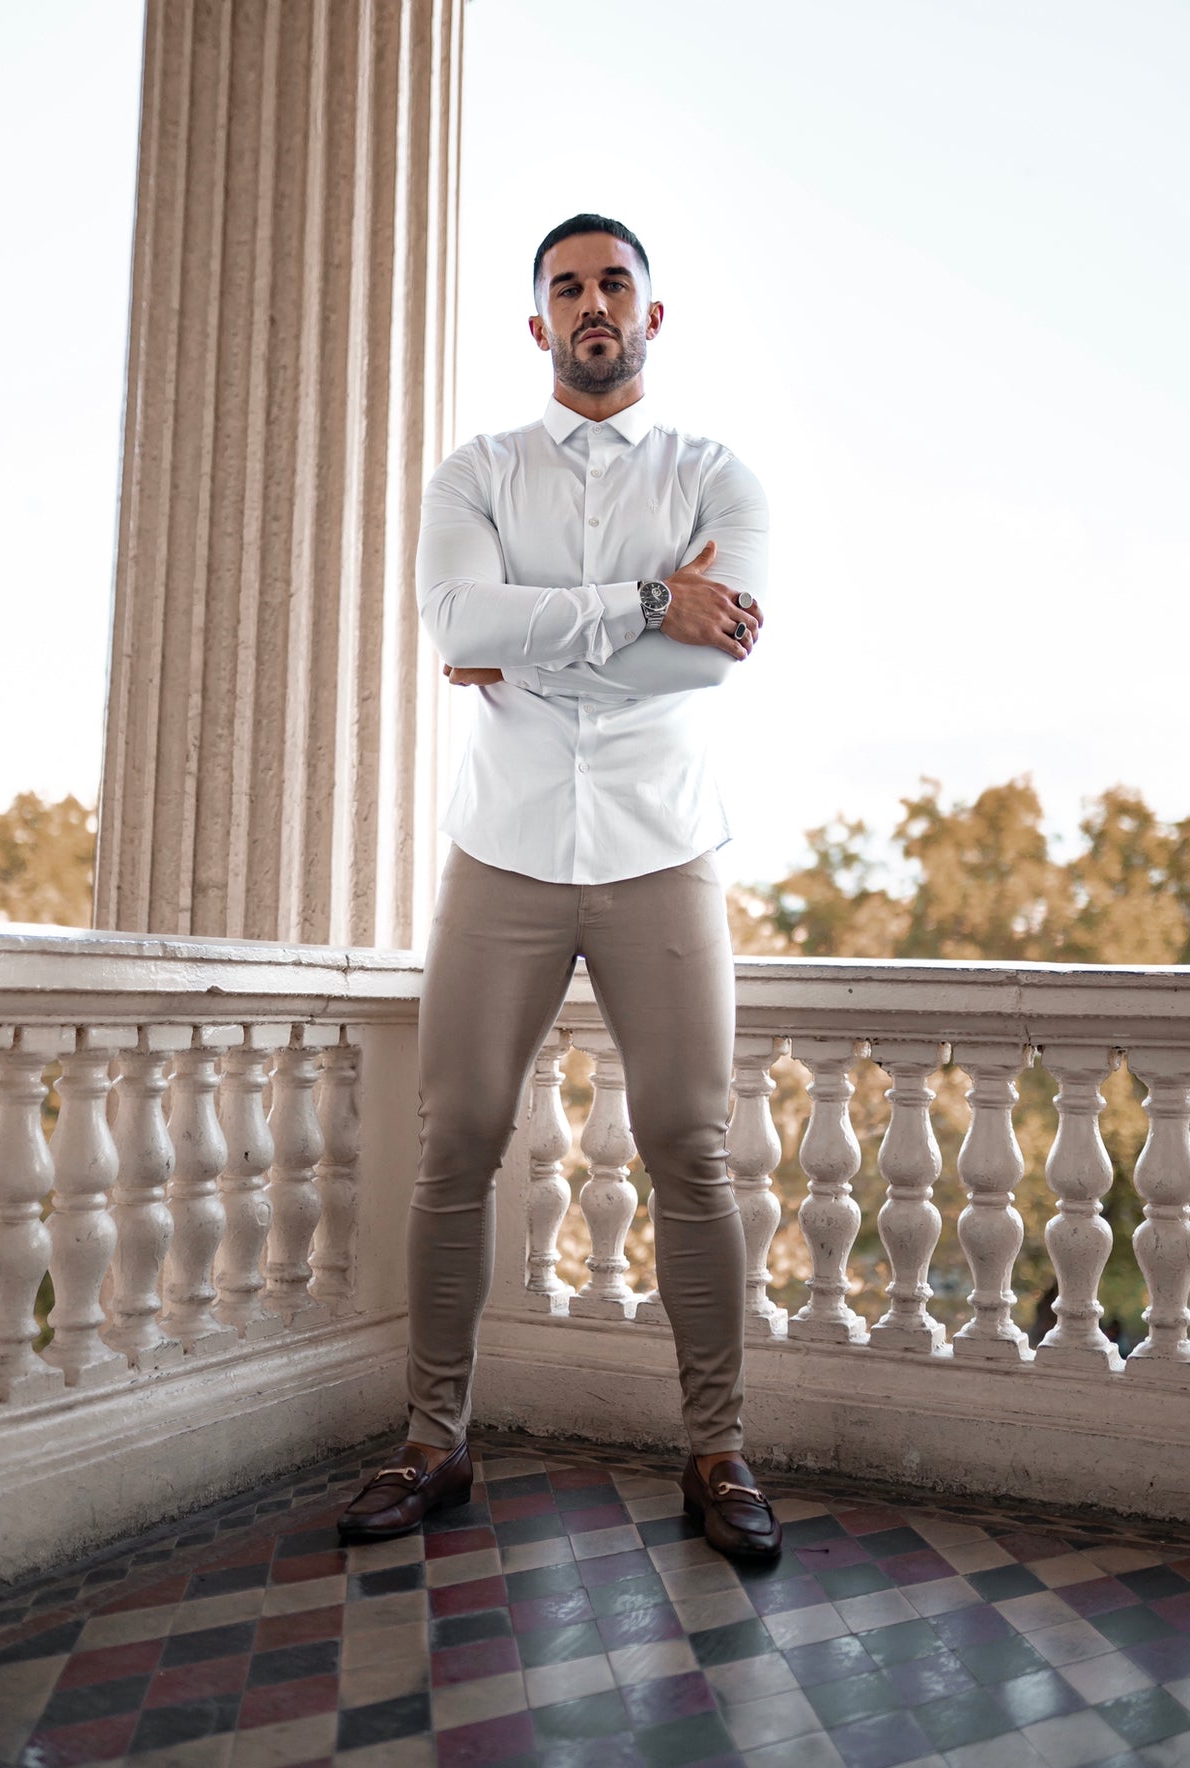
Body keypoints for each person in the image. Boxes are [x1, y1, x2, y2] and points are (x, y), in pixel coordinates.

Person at [338, 213, 780, 1563]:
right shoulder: (476, 473)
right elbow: (454, 623)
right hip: (505, 847)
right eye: (570, 287)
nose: (595, 304)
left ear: (652, 313)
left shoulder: (718, 477)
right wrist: (647, 601)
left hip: (662, 845)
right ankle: (434, 1442)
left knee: (691, 1147)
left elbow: (705, 662)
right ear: (539, 323)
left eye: (616, 284)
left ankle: (717, 1452)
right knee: (458, 1139)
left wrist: (526, 639)